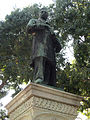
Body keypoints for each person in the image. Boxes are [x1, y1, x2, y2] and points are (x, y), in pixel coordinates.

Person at [26, 8, 61, 87]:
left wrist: (58, 44)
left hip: (49, 48)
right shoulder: (34, 21)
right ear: (39, 13)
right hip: (39, 45)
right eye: (42, 12)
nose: (44, 13)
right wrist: (43, 25)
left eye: (46, 12)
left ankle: (48, 82)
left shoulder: (49, 27)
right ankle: (39, 78)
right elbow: (29, 28)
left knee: (49, 63)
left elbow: (54, 37)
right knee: (40, 59)